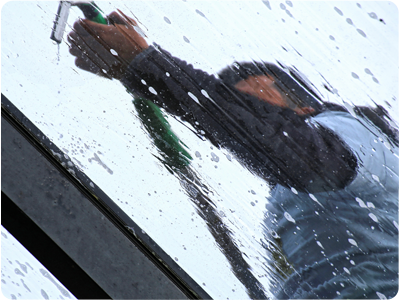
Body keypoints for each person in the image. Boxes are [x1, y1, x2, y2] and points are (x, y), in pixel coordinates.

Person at [68, 11, 399, 299]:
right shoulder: (290, 196)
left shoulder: (356, 132)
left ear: (305, 105)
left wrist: (147, 64)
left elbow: (307, 155)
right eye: (239, 108)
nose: (244, 117)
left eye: (256, 105)